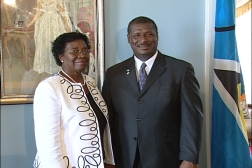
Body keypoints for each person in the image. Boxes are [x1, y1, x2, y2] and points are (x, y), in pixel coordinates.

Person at [102, 16, 204, 168]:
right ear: (129, 39)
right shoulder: (113, 74)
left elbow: (192, 118)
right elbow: (108, 118)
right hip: (124, 157)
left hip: (166, 157)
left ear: (157, 36)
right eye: (136, 35)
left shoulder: (180, 70)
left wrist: (189, 158)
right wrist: (107, 157)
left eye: (149, 34)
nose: (143, 40)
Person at [33, 32, 115, 168]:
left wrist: (109, 161)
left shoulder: (90, 83)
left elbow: (101, 127)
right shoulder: (50, 87)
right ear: (61, 57)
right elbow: (47, 141)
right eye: (74, 51)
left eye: (85, 50)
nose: (82, 55)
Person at [26, 0, 72, 74]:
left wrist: (66, 24)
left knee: (55, 43)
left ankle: (56, 66)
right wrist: (31, 23)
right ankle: (46, 66)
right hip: (44, 23)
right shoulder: (40, 0)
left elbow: (62, 12)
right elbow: (38, 12)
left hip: (55, 22)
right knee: (44, 44)